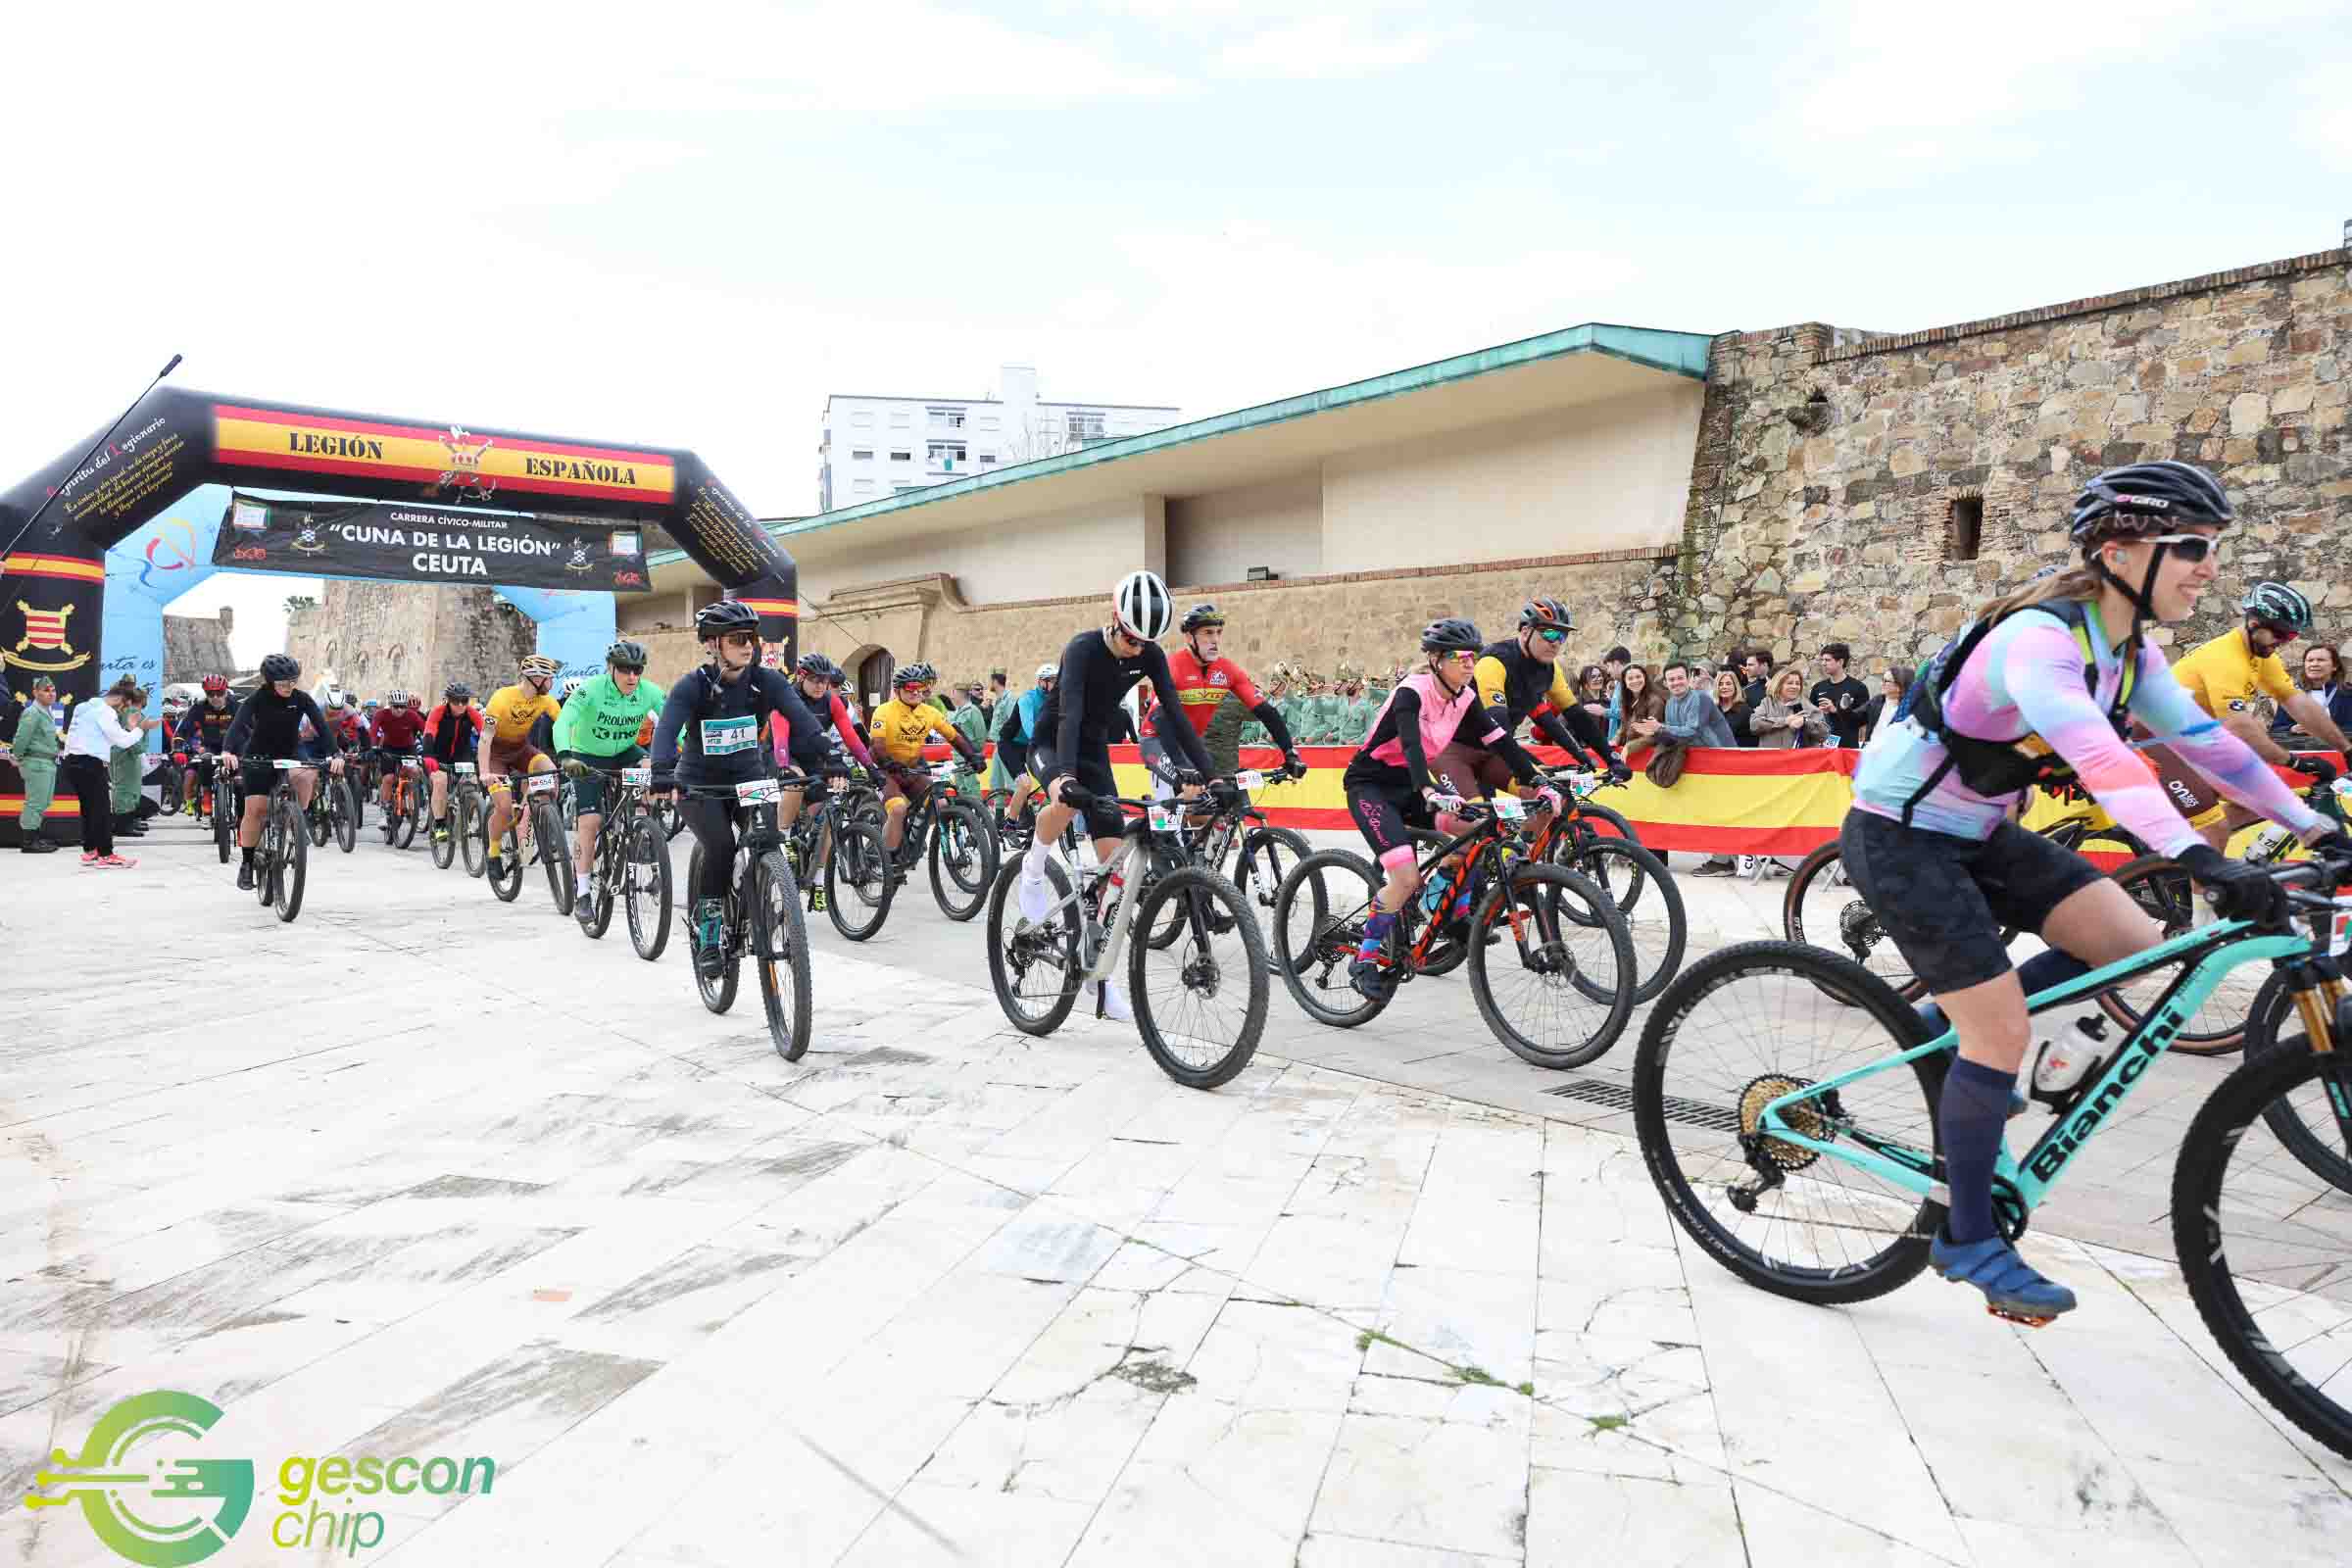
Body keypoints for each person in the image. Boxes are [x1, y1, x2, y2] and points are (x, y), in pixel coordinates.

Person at [1846, 460, 2345, 1321]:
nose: (2209, 568)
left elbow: (2209, 745)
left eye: (2212, 548)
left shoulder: (2129, 648)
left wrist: (2313, 827)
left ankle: (1937, 1032)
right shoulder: (2039, 641)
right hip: (1899, 836)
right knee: (2000, 1034)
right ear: (2119, 553)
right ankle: (1967, 1237)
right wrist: (2197, 856)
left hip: (1979, 830)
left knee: (2131, 946)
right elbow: (2103, 760)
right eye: (2192, 547)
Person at [1017, 570, 1223, 1023]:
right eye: (1131, 639)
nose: (1136, 649)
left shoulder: (1148, 654)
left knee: (1114, 872)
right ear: (1115, 621)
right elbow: (1070, 715)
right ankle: (1032, 870)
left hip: (1094, 751)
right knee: (1065, 802)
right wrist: (1064, 775)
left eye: (1145, 643)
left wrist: (1212, 777)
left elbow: (1177, 716)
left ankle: (1100, 978)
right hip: (1053, 742)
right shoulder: (1082, 648)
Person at [1343, 617, 1560, 998]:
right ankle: (1364, 959)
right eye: (1460, 657)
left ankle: (1455, 915)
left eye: (1473, 657)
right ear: (1436, 660)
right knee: (1405, 879)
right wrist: (1428, 788)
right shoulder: (1412, 692)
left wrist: (1538, 780)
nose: (1469, 664)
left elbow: (1501, 742)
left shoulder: (1465, 697)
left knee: (1476, 829)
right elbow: (1411, 745)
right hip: (1372, 786)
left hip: (1413, 786)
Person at [648, 600, 831, 978]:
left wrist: (831, 759)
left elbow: (803, 721)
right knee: (720, 847)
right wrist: (661, 771)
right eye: (737, 638)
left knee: (768, 840)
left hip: (750, 777)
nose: (748, 645)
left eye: (751, 637)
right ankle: (710, 933)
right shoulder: (692, 686)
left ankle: (764, 898)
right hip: (700, 783)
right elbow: (666, 731)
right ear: (713, 644)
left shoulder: (768, 681)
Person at [2145, 581, 2352, 850]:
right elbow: (2240, 726)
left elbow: (2297, 702)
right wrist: (2294, 762)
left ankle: (2178, 853)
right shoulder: (2225, 658)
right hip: (2156, 742)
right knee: (2214, 827)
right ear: (2254, 623)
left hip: (2192, 743)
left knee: (2265, 801)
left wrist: (2346, 748)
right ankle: (2196, 873)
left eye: (2291, 637)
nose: (2283, 642)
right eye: (2281, 634)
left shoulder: (2262, 656)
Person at [1435, 598, 1621, 841]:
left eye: (1562, 636)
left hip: (1493, 752)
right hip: (1454, 752)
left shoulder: (1550, 669)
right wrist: (1529, 766)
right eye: (1549, 633)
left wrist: (1610, 758)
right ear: (1525, 632)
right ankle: (1451, 862)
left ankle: (1520, 859)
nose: (1556, 642)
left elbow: (1575, 716)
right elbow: (1498, 725)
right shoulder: (1494, 661)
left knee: (1550, 800)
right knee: (1476, 824)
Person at [552, 642, 667, 928]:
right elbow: (563, 722)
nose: (632, 677)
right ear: (611, 668)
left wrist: (687, 753)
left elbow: (673, 726)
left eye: (637, 670)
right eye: (625, 670)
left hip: (625, 751)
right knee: (590, 821)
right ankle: (582, 892)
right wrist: (565, 756)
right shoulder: (590, 689)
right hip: (586, 756)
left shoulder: (649, 692)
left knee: (652, 767)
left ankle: (643, 826)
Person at [1138, 603, 1302, 801]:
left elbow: (1266, 712)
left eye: (1218, 632)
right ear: (1189, 637)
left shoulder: (1227, 670)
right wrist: (1183, 766)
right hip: (1158, 742)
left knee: (1218, 804)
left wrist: (1290, 752)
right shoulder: (1173, 667)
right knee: (1189, 796)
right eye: (1208, 633)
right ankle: (1164, 818)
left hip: (1192, 746)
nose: (1215, 639)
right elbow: (1160, 720)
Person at [221, 655, 347, 888]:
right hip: (259, 754)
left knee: (308, 774)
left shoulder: (301, 699)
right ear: (270, 682)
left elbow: (322, 727)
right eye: (283, 683)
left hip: (291, 751)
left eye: (293, 681)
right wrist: (227, 751)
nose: (289, 687)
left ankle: (297, 819)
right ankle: (247, 863)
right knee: (256, 809)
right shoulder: (258, 698)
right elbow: (237, 725)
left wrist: (336, 754)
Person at [775, 651, 877, 911]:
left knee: (830, 814)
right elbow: (780, 739)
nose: (821, 685)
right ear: (801, 677)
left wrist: (870, 767)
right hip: (785, 755)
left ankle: (818, 881)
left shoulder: (832, 702)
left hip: (816, 757)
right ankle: (783, 838)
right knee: (796, 781)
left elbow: (851, 738)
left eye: (825, 680)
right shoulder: (787, 698)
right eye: (815, 680)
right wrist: (785, 766)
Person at [864, 662, 985, 863]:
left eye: (919, 687)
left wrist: (972, 756)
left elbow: (954, 737)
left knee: (940, 804)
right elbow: (877, 744)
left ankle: (910, 835)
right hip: (884, 769)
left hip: (910, 769)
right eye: (910, 688)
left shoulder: (929, 712)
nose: (915, 692)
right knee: (898, 809)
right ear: (897, 690)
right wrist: (888, 762)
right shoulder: (884, 711)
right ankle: (888, 861)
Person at [479, 654, 564, 878]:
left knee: (549, 770)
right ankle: (493, 852)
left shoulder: (546, 700)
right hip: (496, 755)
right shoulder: (501, 698)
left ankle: (538, 817)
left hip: (521, 750)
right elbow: (485, 738)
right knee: (504, 808)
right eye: (548, 678)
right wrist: (485, 772)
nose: (551, 683)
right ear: (535, 678)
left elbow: (565, 725)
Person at [63, 676, 147, 867]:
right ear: (120, 699)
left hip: (72, 762)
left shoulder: (82, 707)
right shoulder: (106, 712)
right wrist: (138, 729)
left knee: (88, 809)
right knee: (101, 811)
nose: (122, 711)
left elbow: (86, 735)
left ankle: (90, 850)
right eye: (124, 707)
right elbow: (122, 741)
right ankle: (106, 854)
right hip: (89, 764)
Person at [418, 683, 484, 843]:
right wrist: (428, 755)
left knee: (472, 782)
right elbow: (429, 732)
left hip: (462, 755)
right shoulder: (438, 712)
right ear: (448, 700)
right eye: (455, 701)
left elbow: (485, 733)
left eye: (464, 701)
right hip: (438, 755)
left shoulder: (472, 713)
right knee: (440, 781)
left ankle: (466, 819)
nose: (460, 705)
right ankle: (439, 824)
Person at [998, 663, 1055, 826]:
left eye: (1057, 680)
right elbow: (1029, 726)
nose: (1056, 684)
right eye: (1052, 680)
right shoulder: (1027, 698)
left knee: (1054, 780)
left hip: (1032, 746)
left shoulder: (1055, 700)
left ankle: (1034, 818)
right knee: (1025, 784)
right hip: (1010, 745)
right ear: (1041, 682)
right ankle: (1010, 824)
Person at [174, 675, 238, 816]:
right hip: (211, 747)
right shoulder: (199, 707)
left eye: (219, 693)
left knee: (240, 782)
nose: (215, 697)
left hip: (234, 748)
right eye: (210, 694)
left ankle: (241, 818)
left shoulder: (236, 706)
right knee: (205, 760)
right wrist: (178, 749)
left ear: (226, 691)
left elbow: (251, 729)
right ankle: (207, 795)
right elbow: (183, 730)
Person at [13, 675, 61, 853]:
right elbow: (21, 738)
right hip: (36, 763)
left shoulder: (45, 711)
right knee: (34, 803)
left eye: (53, 690)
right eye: (46, 690)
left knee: (43, 802)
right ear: (35, 693)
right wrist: (18, 757)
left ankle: (35, 837)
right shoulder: (32, 713)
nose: (51, 694)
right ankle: (28, 841)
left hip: (46, 762)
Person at [2273, 641, 2352, 743]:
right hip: (2302, 750)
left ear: (2334, 666)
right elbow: (2276, 730)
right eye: (2310, 660)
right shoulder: (2291, 694)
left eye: (2321, 660)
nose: (2314, 664)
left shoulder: (2347, 693)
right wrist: (2292, 729)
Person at [368, 691, 426, 821]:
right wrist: (373, 747)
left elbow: (425, 730)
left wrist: (430, 747)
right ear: (390, 706)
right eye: (396, 706)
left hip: (408, 748)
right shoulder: (381, 714)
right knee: (388, 778)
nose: (399, 710)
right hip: (389, 748)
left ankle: (410, 796)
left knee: (414, 771)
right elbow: (373, 731)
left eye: (403, 706)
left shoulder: (412, 715)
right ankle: (385, 811)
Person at [108, 686, 153, 838]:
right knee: (126, 789)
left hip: (127, 753)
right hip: (126, 754)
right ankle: (122, 824)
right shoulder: (131, 713)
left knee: (131, 788)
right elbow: (131, 736)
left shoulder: (128, 712)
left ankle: (129, 821)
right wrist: (139, 749)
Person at [1809, 643, 1871, 749]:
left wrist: (1836, 710)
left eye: (1828, 660)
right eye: (1822, 660)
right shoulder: (1818, 687)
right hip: (1821, 747)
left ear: (1841, 662)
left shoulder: (1858, 688)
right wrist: (1820, 713)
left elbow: (1863, 720)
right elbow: (1810, 717)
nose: (1823, 663)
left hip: (1847, 746)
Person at [1750, 665, 1829, 749]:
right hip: (1771, 756)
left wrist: (1806, 722)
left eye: (1797, 683)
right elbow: (1754, 725)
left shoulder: (1807, 706)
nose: (1794, 686)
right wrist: (1785, 721)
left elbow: (1824, 735)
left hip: (1799, 756)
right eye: (1789, 683)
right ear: (1779, 685)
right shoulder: (1767, 703)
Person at [1611, 663, 1662, 758]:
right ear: (1625, 682)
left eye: (1638, 677)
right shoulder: (1626, 700)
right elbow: (1623, 726)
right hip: (1629, 752)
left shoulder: (1655, 701)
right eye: (1630, 678)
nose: (1635, 681)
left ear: (1645, 678)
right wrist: (1615, 740)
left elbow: (1653, 735)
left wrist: (1629, 747)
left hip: (1645, 754)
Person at [1859, 665, 1912, 746]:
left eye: (1886, 681)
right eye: (1882, 680)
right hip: (1871, 750)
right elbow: (1855, 718)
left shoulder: (1910, 710)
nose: (1881, 684)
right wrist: (1844, 708)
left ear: (1899, 686)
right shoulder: (1878, 700)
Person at [1713, 668, 1750, 748]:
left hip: (1736, 753)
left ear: (1735, 687)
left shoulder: (1745, 711)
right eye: (1720, 684)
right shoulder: (1712, 710)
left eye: (1728, 684)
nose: (1724, 687)